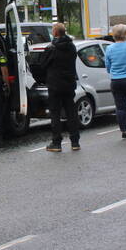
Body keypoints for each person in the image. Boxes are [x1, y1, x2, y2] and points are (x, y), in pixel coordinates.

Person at [40, 22, 80, 152]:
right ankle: (75, 142)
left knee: (55, 113)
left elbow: (43, 64)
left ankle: (56, 142)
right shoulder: (72, 47)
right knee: (71, 113)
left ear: (55, 33)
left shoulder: (51, 48)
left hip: (55, 84)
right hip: (69, 83)